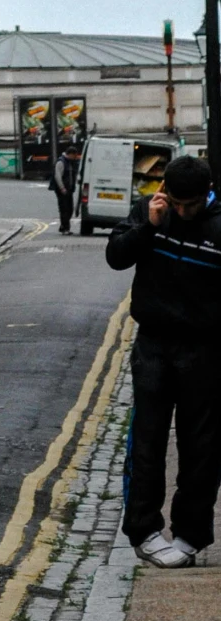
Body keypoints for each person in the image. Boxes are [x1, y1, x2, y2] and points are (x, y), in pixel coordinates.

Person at [105, 152, 221, 568]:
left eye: (191, 205)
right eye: (175, 203)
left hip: (204, 349)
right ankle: (144, 531)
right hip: (153, 343)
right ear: (164, 193)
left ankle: (190, 535)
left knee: (202, 446)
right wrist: (149, 227)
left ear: (207, 194)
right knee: (147, 440)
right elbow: (116, 256)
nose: (183, 212)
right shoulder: (149, 211)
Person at [49, 143, 81, 235]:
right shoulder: (61, 162)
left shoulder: (70, 162)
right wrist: (62, 188)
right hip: (62, 190)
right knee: (64, 209)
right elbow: (57, 176)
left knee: (70, 209)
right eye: (74, 155)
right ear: (70, 154)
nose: (75, 157)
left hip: (69, 189)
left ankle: (63, 226)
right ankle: (65, 228)